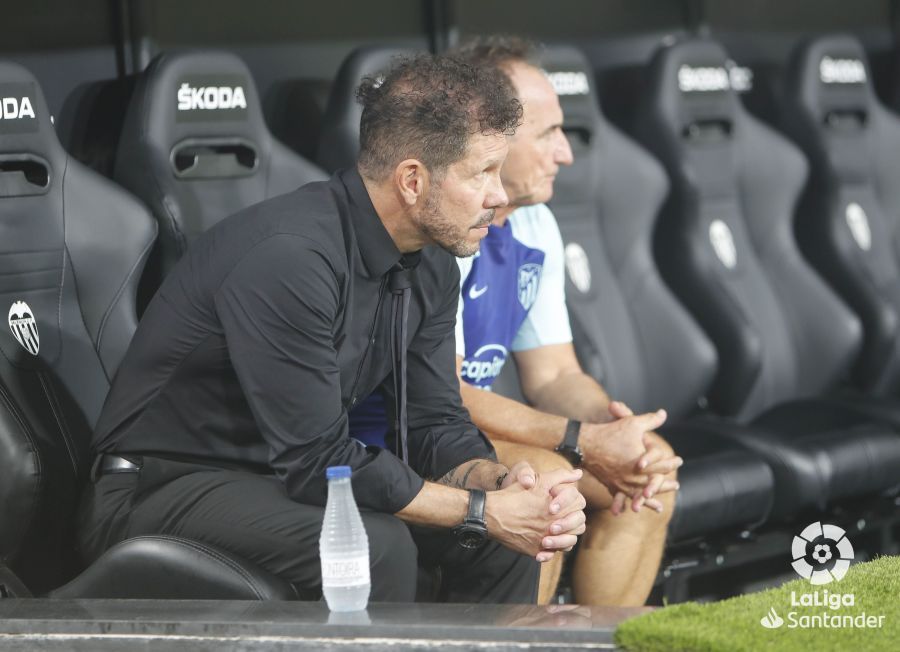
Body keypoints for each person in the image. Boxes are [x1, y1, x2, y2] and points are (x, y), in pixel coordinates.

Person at [76, 53, 587, 604]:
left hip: (275, 480)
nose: (499, 195)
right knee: (375, 543)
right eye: (482, 172)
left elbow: (434, 423)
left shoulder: (432, 263)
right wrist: (483, 512)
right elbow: (316, 461)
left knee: (494, 542)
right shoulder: (291, 256)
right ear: (412, 180)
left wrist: (503, 485)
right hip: (160, 487)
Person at [448, 37, 682, 606]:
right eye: (548, 133)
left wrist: (612, 426)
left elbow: (554, 376)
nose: (566, 154)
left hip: (477, 426)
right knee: (549, 485)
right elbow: (443, 393)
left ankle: (607, 641)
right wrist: (585, 441)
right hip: (419, 432)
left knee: (650, 473)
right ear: (492, 136)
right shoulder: (445, 229)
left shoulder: (534, 226)